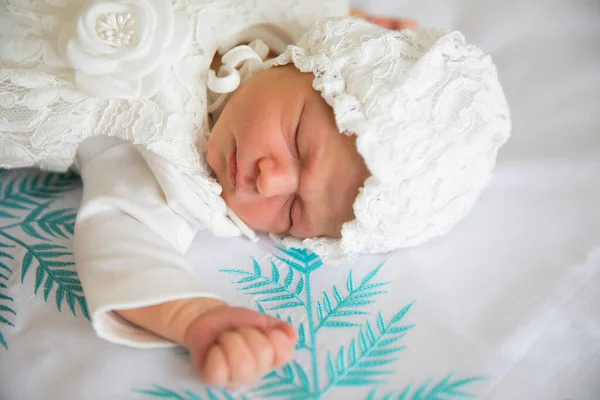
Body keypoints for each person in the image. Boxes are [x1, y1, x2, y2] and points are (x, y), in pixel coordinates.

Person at [0, 0, 510, 387]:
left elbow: (124, 240)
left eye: (292, 212)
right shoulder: (284, 20)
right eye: (297, 143)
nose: (269, 180)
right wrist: (363, 22)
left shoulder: (166, 165)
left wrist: (194, 318)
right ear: (313, 62)